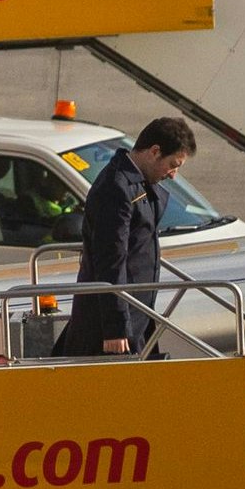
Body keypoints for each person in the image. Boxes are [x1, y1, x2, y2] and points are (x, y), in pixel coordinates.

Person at [56, 116, 196, 357]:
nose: (173, 174)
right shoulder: (117, 188)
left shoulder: (138, 185)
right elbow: (110, 260)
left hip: (137, 313)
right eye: (173, 164)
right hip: (113, 324)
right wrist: (116, 328)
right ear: (154, 151)